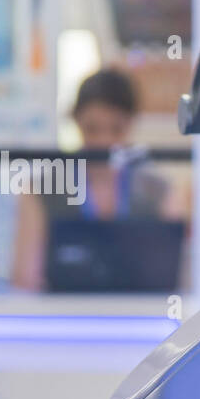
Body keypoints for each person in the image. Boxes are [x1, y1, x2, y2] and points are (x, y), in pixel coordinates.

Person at [11, 68, 181, 290]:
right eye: (92, 129)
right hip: (63, 318)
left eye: (116, 129)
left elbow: (172, 279)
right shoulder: (40, 191)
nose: (104, 141)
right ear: (76, 122)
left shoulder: (158, 192)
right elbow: (25, 281)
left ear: (131, 124)